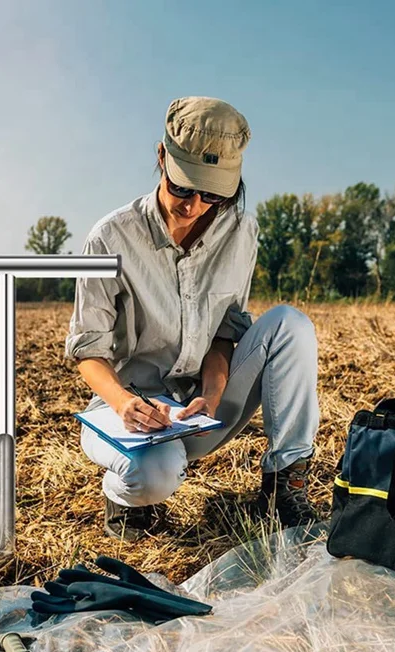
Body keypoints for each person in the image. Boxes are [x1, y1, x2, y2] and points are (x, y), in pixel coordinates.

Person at [64, 96, 320, 541]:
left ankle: (284, 484)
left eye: (213, 195)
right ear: (161, 156)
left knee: (290, 325)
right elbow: (88, 351)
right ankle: (125, 495)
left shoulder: (241, 232)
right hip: (129, 413)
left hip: (202, 409)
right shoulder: (110, 237)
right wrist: (127, 405)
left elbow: (226, 332)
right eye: (182, 188)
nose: (194, 206)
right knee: (155, 478)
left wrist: (213, 394)